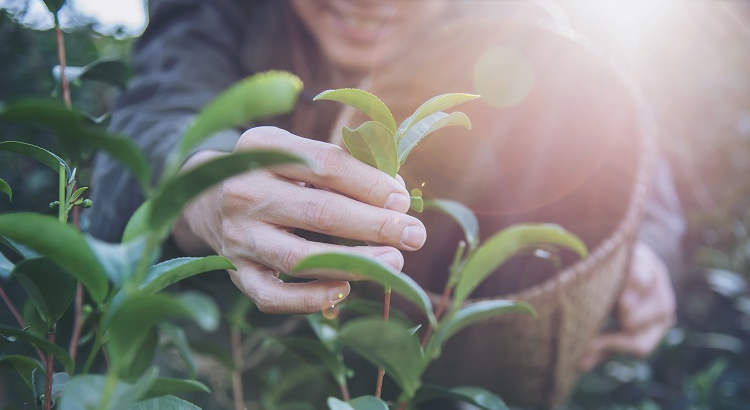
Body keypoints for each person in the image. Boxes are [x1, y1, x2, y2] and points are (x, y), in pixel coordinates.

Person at [86, 0, 682, 405]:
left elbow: (624, 140)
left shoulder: (524, 21)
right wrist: (206, 184)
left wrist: (647, 252)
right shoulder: (215, 15)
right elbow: (157, 111)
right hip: (267, 350)